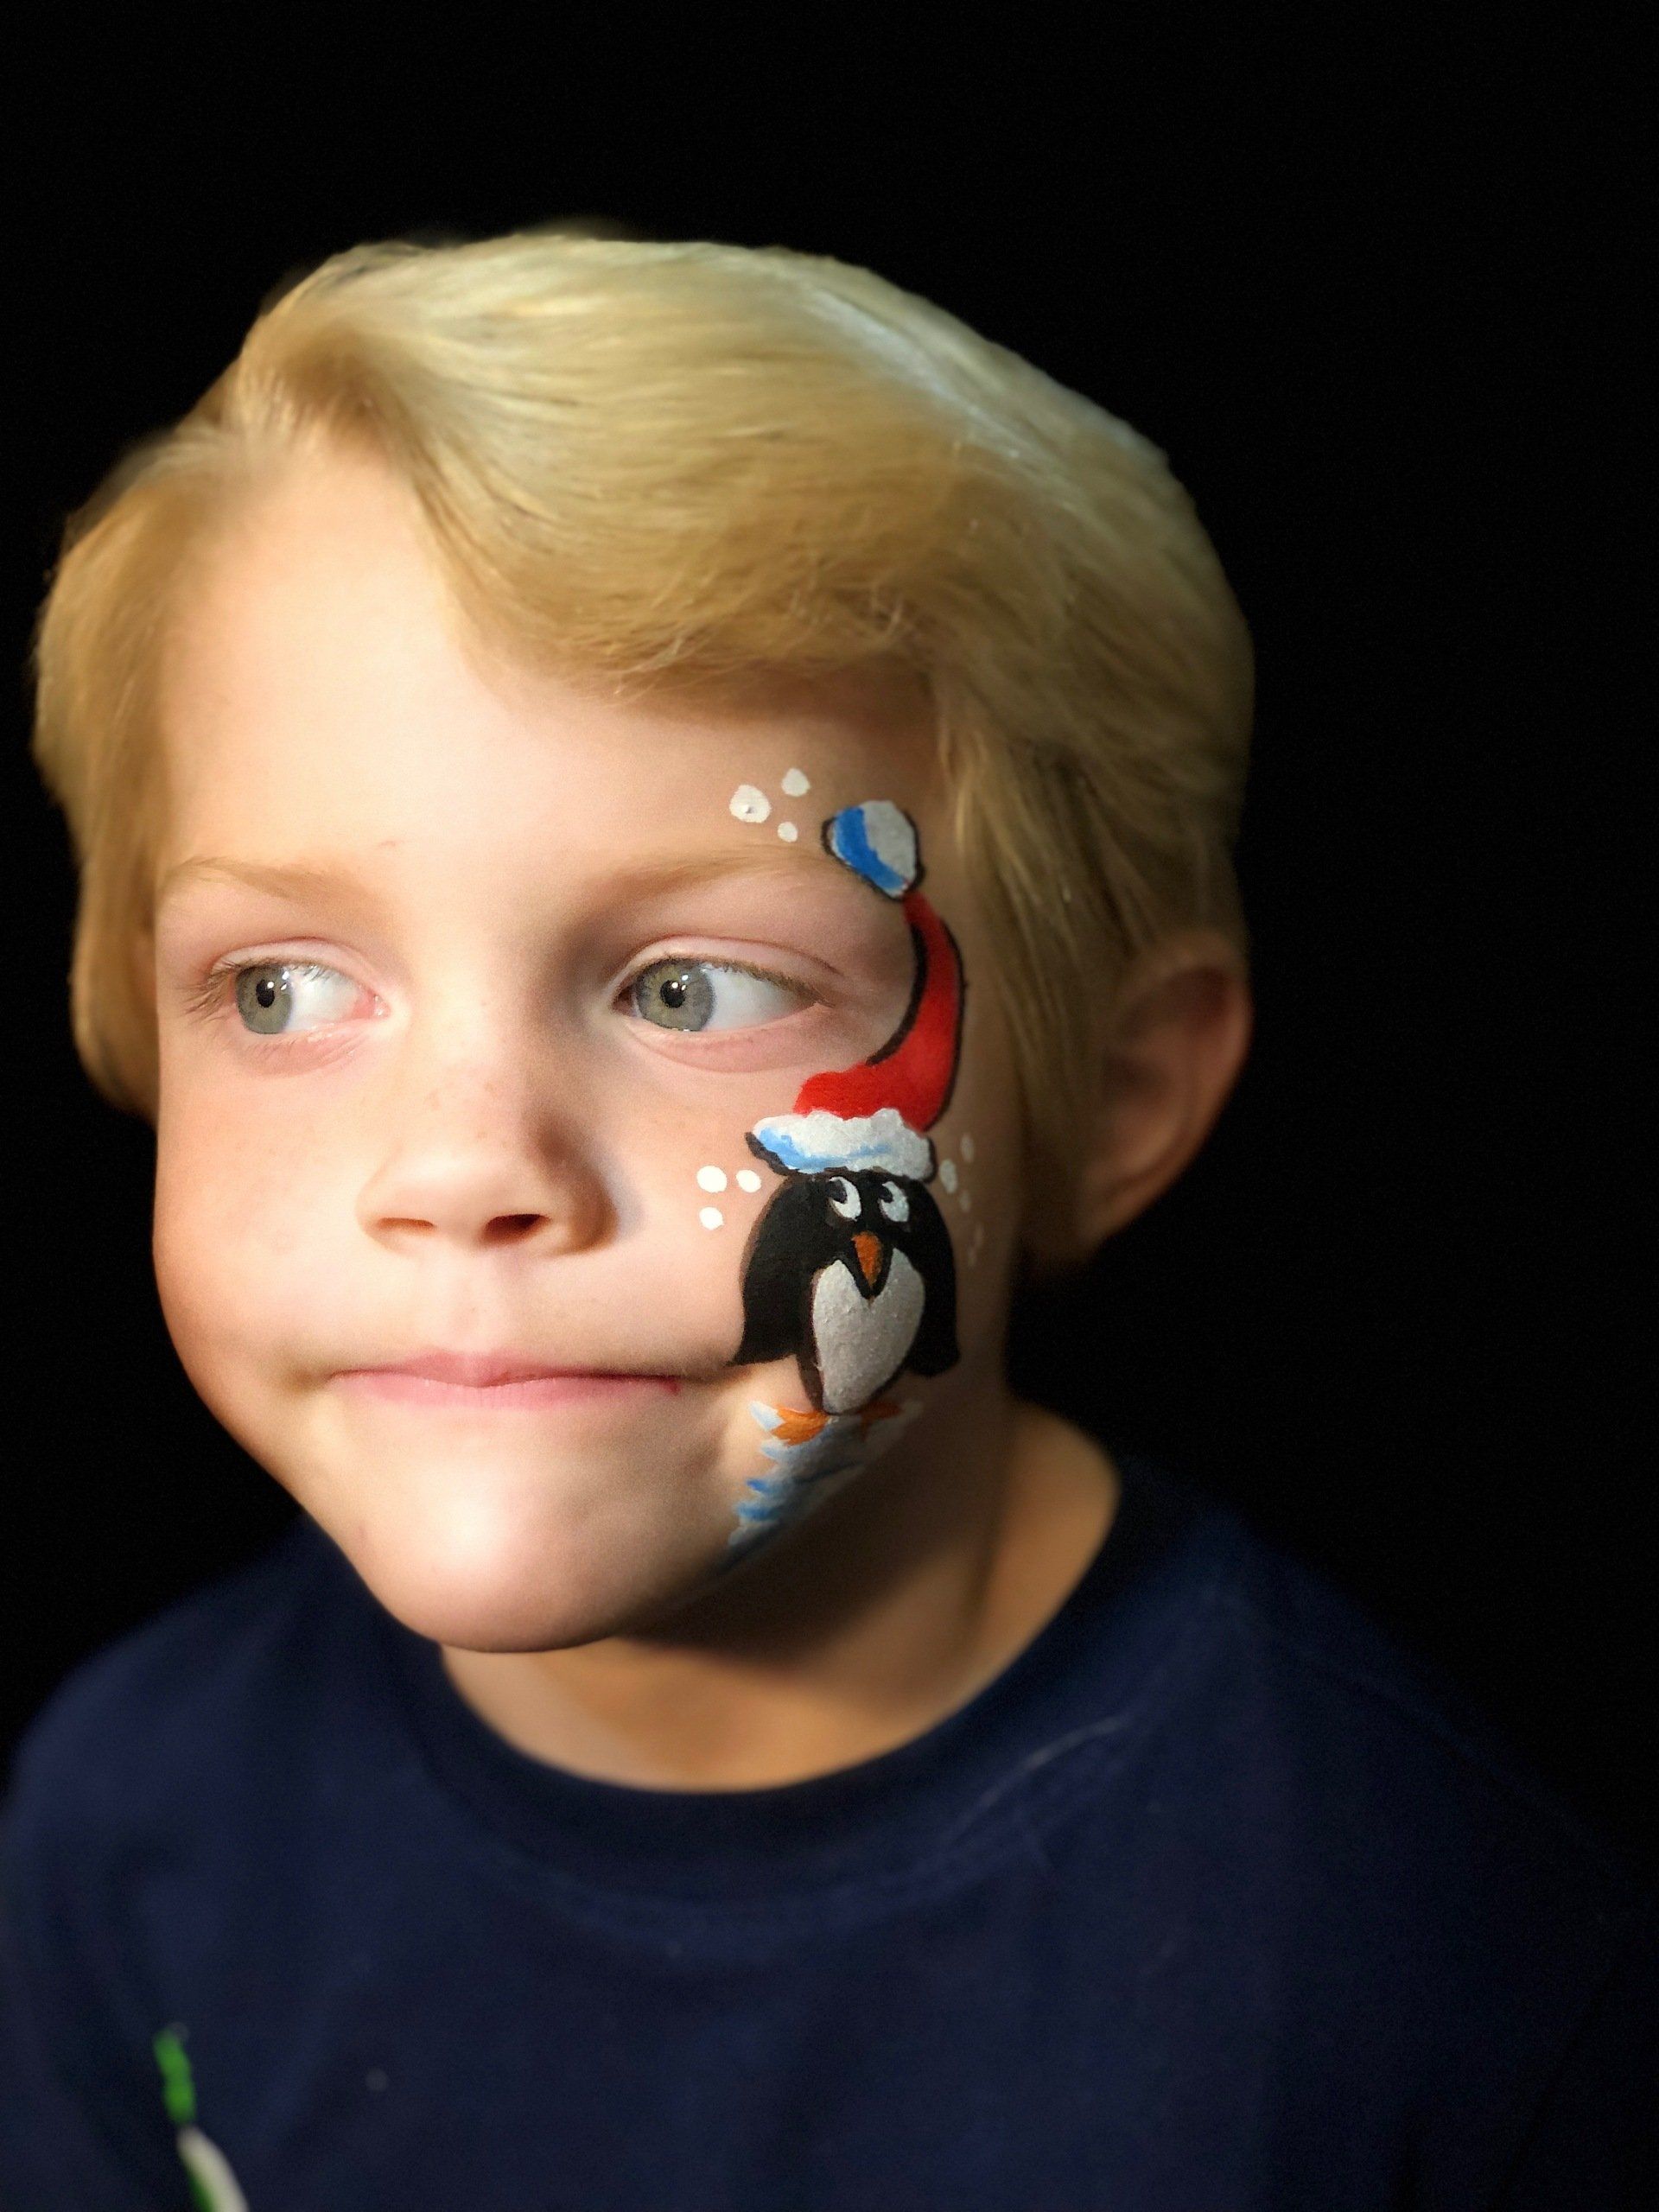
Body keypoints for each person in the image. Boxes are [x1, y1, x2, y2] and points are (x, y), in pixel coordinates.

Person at [2, 225, 1651, 2212]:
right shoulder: (123, 1828)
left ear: (1113, 1101)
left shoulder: (1431, 1975)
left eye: (691, 990)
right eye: (283, 990)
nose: (459, 1165)